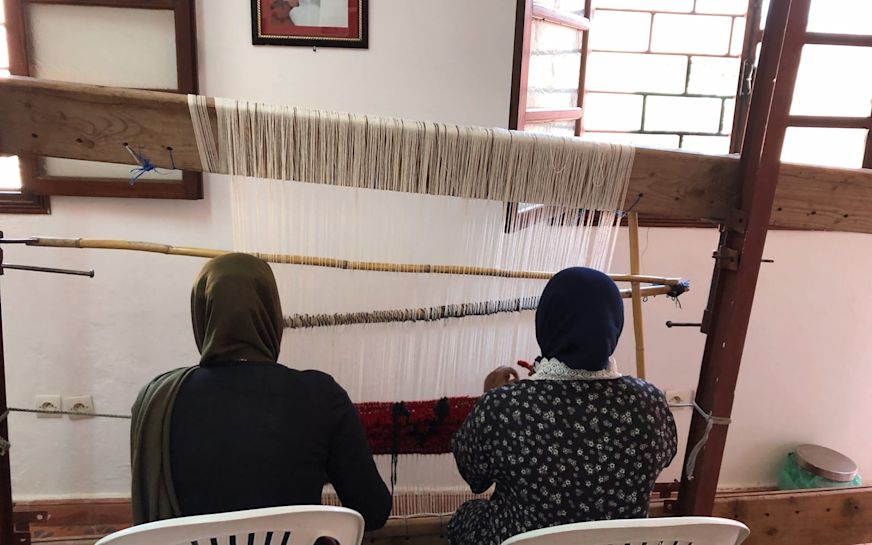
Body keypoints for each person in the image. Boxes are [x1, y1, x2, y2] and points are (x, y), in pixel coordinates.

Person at [130, 253, 391, 530]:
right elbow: (373, 511)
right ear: (271, 312)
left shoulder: (155, 402)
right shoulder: (322, 397)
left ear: (202, 313)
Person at [447, 267, 678, 545]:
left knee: (465, 517)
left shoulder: (503, 406)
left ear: (546, 322)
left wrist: (493, 402)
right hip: (617, 541)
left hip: (525, 539)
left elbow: (475, 478)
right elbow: (663, 459)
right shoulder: (650, 400)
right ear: (615, 325)